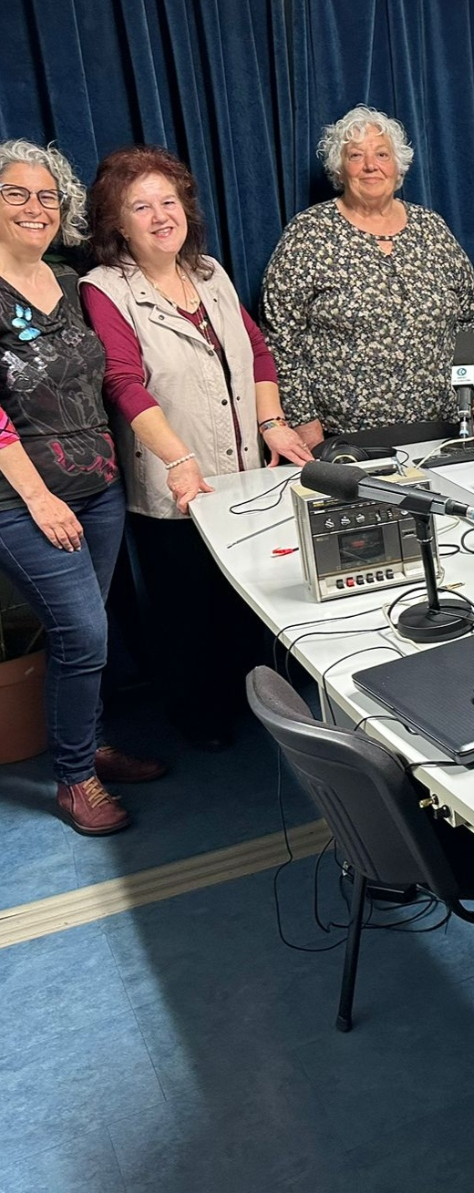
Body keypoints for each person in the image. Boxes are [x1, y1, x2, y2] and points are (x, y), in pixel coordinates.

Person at [82, 146, 313, 749]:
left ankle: (262, 709)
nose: (161, 216)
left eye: (169, 201)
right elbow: (122, 381)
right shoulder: (106, 289)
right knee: (189, 612)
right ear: (117, 223)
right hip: (176, 485)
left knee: (247, 603)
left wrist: (273, 425)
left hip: (244, 476)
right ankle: (200, 719)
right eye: (141, 206)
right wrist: (179, 459)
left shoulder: (209, 272)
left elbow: (257, 352)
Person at [0, 140, 163, 834]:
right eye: (16, 194)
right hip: (24, 499)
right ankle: (73, 781)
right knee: (84, 630)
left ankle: (88, 745)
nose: (34, 208)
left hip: (97, 487)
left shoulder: (70, 279)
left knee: (83, 636)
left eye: (46, 196)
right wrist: (39, 497)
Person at [261, 105, 474, 446]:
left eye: (382, 154)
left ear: (398, 166)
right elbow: (281, 336)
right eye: (356, 155)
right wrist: (301, 419)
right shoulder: (309, 232)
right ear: (340, 169)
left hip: (441, 427)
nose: (371, 166)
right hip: (345, 437)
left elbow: (467, 322)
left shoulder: (432, 227)